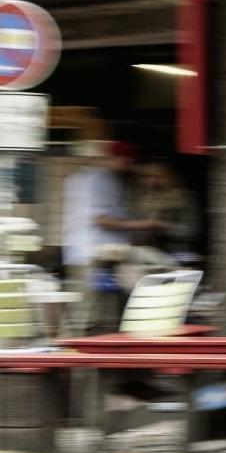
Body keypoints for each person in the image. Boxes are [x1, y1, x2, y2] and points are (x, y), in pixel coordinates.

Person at [61, 139, 144, 333]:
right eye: (126, 161)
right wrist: (140, 225)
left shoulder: (97, 178)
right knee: (87, 314)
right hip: (92, 254)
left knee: (102, 313)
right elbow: (100, 219)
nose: (129, 166)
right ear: (114, 158)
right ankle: (82, 358)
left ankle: (100, 356)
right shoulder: (98, 179)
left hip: (100, 254)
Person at [129, 160, 201, 261]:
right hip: (146, 255)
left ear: (171, 177)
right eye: (147, 177)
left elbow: (191, 230)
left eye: (159, 176)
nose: (152, 182)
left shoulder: (184, 198)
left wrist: (162, 226)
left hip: (178, 254)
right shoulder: (141, 198)